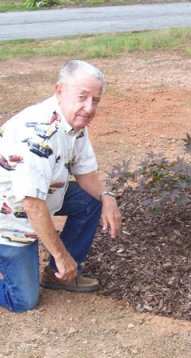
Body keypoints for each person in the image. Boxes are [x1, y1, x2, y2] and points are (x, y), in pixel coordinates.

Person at [0, 60, 122, 313]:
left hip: (43, 197)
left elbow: (85, 173)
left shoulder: (74, 122)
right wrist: (61, 254)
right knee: (24, 300)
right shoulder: (35, 135)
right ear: (59, 91)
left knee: (92, 199)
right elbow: (32, 205)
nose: (89, 108)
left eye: (95, 100)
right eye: (82, 97)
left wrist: (107, 197)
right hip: (9, 217)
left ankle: (58, 276)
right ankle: (61, 265)